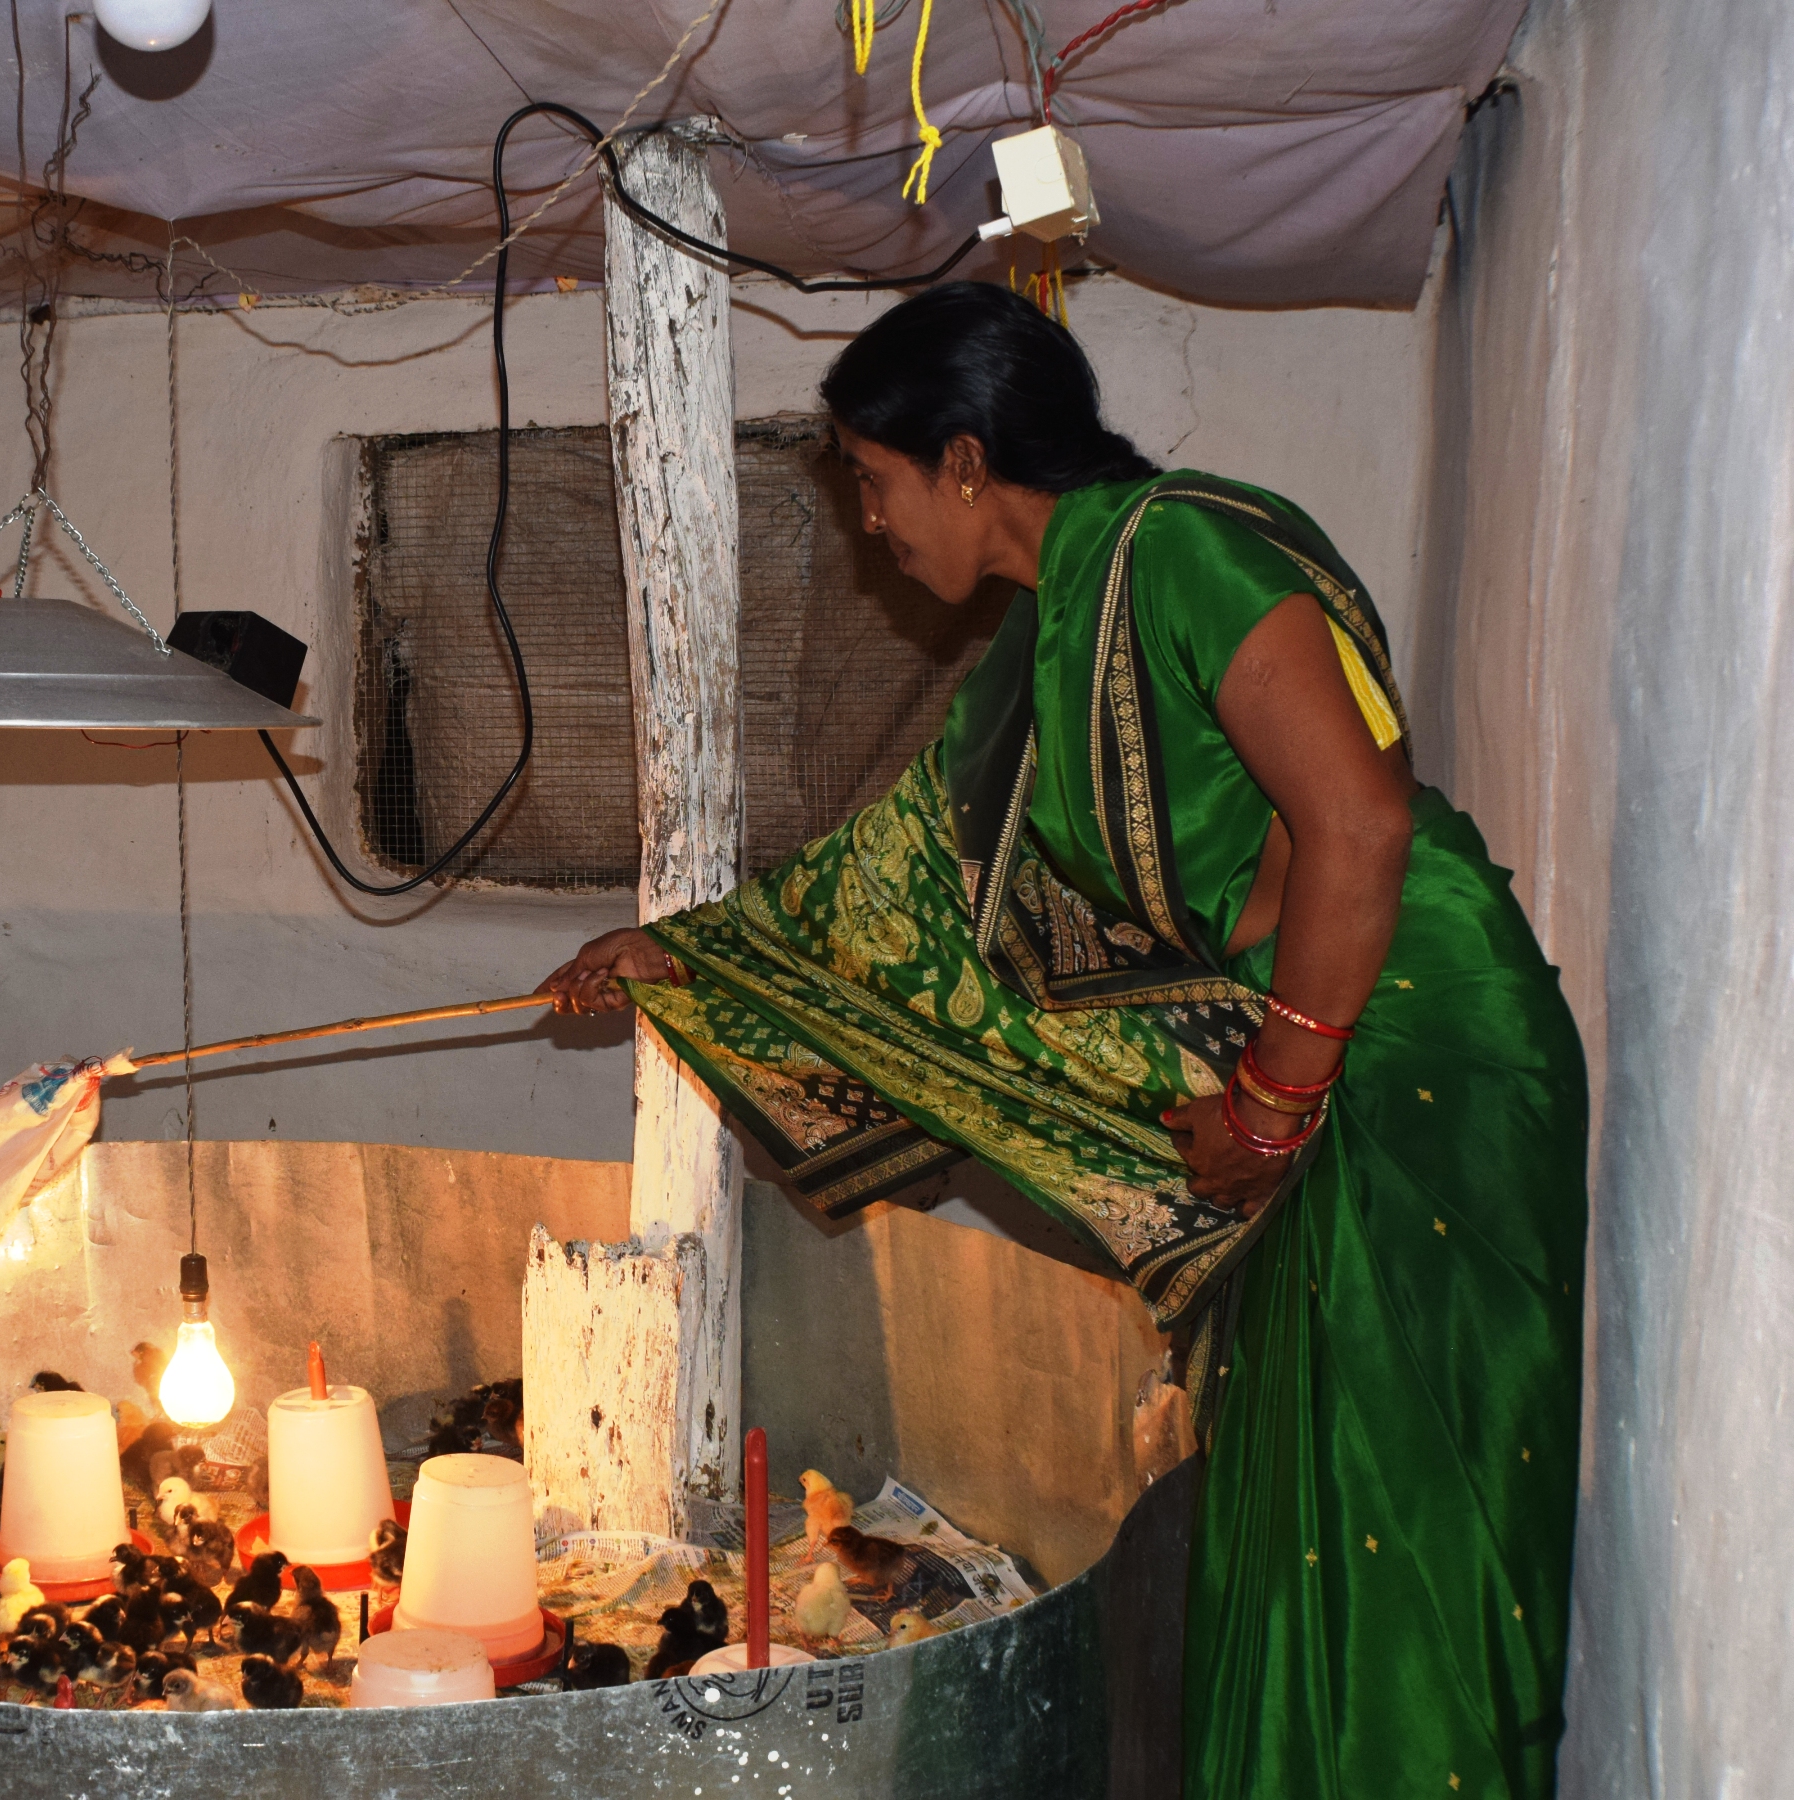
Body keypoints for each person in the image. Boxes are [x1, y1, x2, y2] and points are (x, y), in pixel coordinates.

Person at [539, 282, 1584, 1799]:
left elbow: (1357, 820)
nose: (871, 527)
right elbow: (907, 884)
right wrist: (682, 958)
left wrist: (1280, 1105)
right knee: (1303, 1554)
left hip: (1414, 1058)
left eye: (876, 484)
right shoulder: (1048, 645)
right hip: (1311, 1059)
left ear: (966, 461)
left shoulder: (1185, 550)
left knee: (1403, 1541)